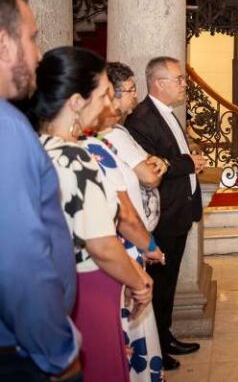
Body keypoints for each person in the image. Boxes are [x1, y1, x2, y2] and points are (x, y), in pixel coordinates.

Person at [25, 46, 152, 382]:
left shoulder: (38, 148)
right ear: (77, 102)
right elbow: (102, 245)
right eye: (104, 95)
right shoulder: (75, 158)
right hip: (89, 287)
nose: (109, 106)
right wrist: (139, 281)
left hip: (56, 286)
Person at [0, 0, 82, 381]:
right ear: (3, 44)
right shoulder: (6, 129)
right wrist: (59, 352)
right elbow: (19, 263)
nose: (37, 55)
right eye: (31, 39)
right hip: (19, 353)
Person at [125, 57, 205, 370]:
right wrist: (190, 163)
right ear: (159, 83)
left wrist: (189, 154)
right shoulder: (142, 119)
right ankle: (157, 343)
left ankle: (166, 334)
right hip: (164, 215)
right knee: (159, 282)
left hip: (179, 211)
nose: (184, 84)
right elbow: (153, 165)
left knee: (169, 282)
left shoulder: (167, 114)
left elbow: (171, 154)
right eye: (179, 79)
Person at [84, 82, 166, 382]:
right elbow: (124, 214)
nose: (113, 103)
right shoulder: (91, 148)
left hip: (121, 253)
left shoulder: (103, 141)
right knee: (122, 340)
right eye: (106, 96)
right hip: (114, 255)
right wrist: (149, 247)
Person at [103, 62, 165, 233]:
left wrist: (159, 162)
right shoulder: (112, 135)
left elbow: (152, 162)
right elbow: (151, 177)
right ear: (111, 94)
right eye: (130, 90)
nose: (136, 94)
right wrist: (155, 166)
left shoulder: (120, 130)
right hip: (128, 233)